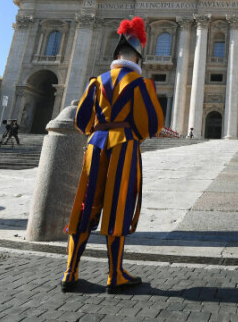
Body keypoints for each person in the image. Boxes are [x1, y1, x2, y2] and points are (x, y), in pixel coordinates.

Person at [60, 16, 163, 293]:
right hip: (124, 146)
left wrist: (98, 131)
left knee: (85, 204)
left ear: (116, 55)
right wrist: (131, 132)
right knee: (118, 207)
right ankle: (115, 274)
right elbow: (152, 124)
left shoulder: (97, 82)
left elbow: (81, 120)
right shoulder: (141, 85)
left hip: (96, 145)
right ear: (137, 58)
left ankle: (70, 271)